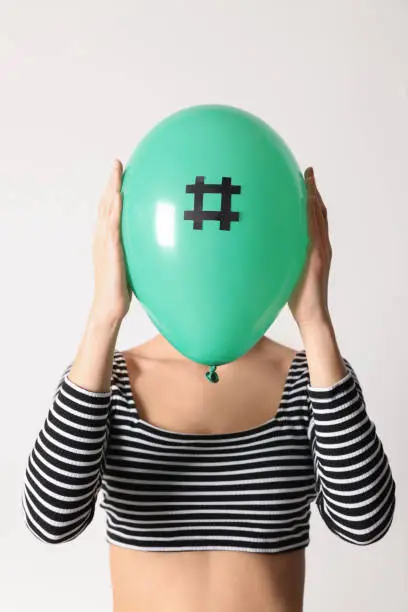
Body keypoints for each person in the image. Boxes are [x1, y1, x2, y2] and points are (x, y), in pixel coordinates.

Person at [22, 161, 396, 612]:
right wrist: (104, 314)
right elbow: (51, 519)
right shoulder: (109, 379)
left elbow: (366, 521)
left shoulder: (310, 378)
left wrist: (315, 319)